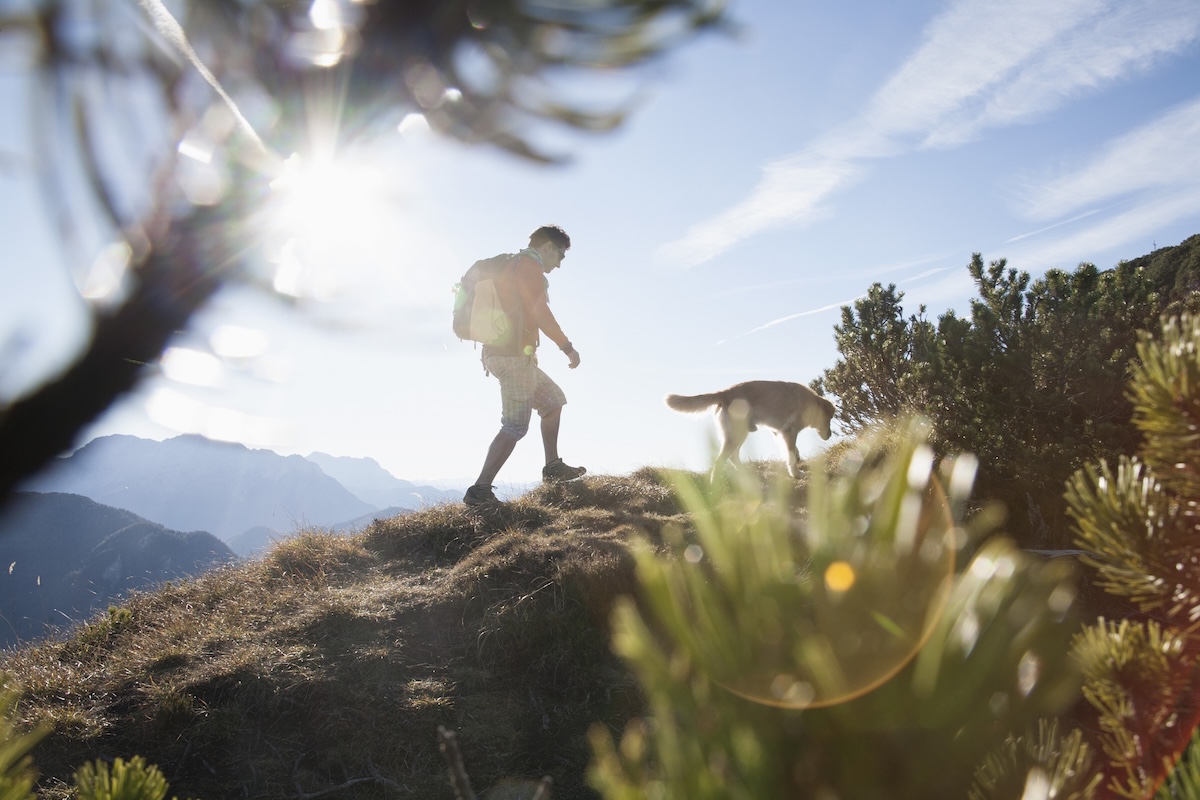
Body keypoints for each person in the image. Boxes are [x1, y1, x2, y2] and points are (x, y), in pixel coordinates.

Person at [463, 225, 585, 506]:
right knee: (515, 426)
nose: (560, 264)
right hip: (512, 357)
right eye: (561, 256)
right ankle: (479, 491)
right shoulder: (528, 266)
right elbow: (538, 310)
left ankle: (553, 467)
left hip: (512, 356)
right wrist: (567, 347)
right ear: (548, 248)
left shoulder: (514, 264)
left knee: (553, 401)